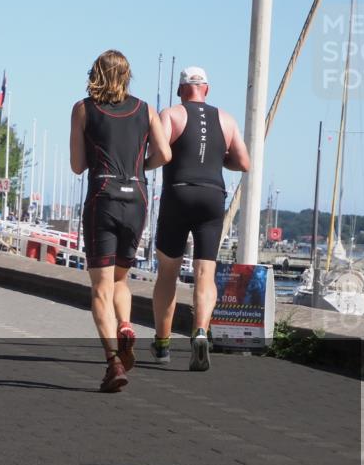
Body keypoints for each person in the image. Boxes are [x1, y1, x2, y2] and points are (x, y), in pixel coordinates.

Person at [69, 49, 171, 393]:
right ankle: (126, 323)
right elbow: (165, 153)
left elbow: (77, 165)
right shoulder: (146, 110)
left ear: (95, 73)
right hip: (137, 199)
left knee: (100, 286)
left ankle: (113, 361)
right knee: (120, 279)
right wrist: (140, 168)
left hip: (103, 197)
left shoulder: (84, 109)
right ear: (127, 76)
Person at [152, 66, 250, 371]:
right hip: (212, 195)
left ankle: (163, 344)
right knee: (205, 273)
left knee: (168, 273)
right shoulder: (227, 119)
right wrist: (219, 158)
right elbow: (244, 162)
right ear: (206, 89)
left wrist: (143, 164)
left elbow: (161, 152)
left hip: (179, 192)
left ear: (182, 90)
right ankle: (201, 332)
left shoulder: (172, 114)